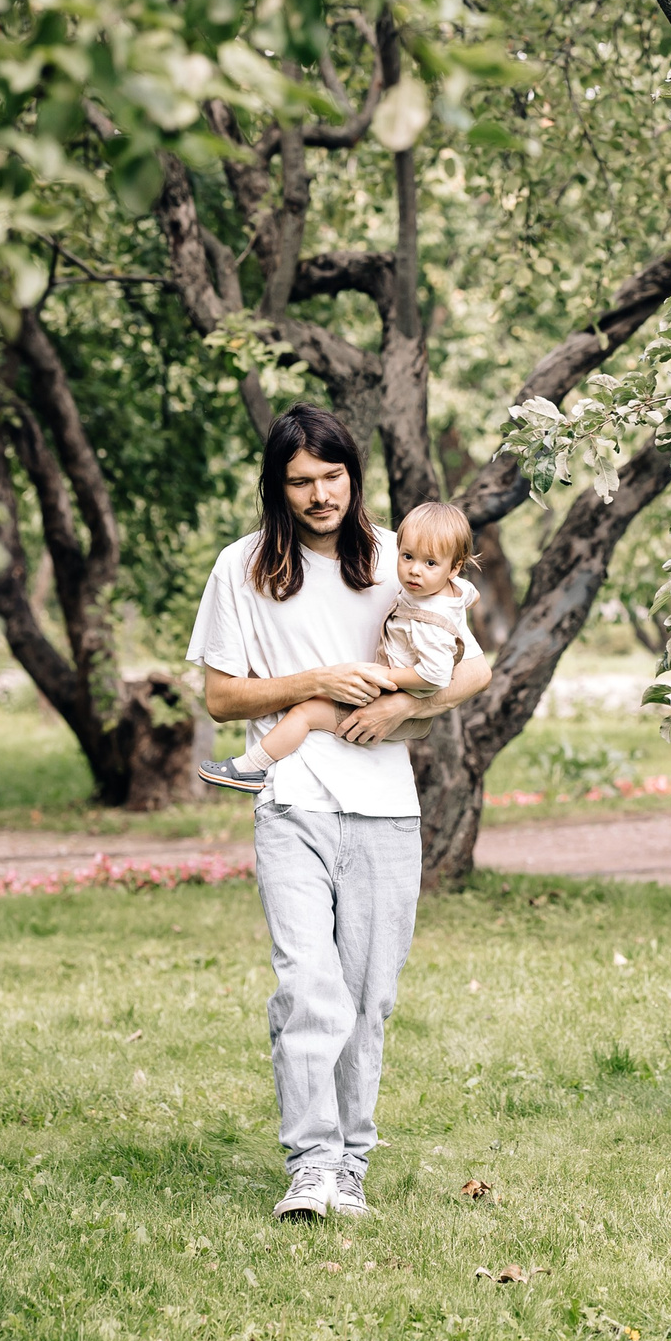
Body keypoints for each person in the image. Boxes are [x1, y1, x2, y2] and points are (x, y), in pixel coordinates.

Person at [186, 405, 489, 1222]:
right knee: (308, 986)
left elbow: (475, 665)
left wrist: (400, 713)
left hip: (386, 809)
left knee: (368, 996)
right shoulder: (241, 568)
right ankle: (312, 1164)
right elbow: (220, 695)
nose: (320, 494)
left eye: (333, 475)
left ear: (352, 475)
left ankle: (352, 1164)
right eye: (301, 480)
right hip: (291, 801)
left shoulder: (403, 555)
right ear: (276, 487)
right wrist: (317, 679)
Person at [196, 500, 483, 792]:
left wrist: (390, 684)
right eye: (407, 557)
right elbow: (465, 595)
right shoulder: (443, 592)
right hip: (302, 789)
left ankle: (249, 768)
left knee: (306, 713)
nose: (414, 571)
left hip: (392, 709)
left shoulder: (431, 618)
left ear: (454, 568)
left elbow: (443, 674)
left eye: (430, 563)